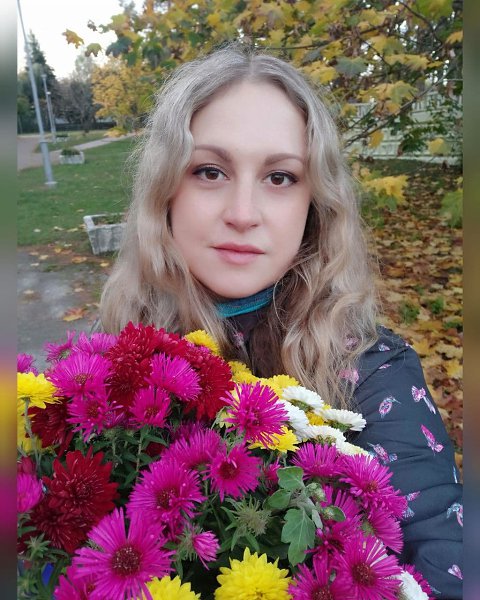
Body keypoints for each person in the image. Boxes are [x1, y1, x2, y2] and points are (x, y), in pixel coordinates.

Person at [99, 44, 462, 598]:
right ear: (165, 191)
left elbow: (445, 556)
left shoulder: (371, 373)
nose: (243, 214)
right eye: (210, 171)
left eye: (280, 177)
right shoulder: (114, 348)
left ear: (315, 203)